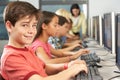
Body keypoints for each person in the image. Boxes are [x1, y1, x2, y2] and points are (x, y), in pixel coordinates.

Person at [0, 1, 88, 80]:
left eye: (34, 25)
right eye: (25, 25)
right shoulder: (11, 57)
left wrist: (67, 66)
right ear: (9, 26)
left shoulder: (27, 49)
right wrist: (70, 71)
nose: (31, 31)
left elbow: (44, 67)